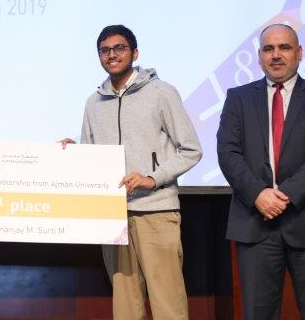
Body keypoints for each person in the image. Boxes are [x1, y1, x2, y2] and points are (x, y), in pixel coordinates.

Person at [61, 24, 202, 319]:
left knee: (168, 304)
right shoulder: (93, 102)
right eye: (104, 50)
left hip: (156, 211)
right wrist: (73, 153)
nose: (112, 55)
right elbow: (93, 158)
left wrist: (152, 179)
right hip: (113, 218)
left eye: (119, 48)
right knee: (125, 306)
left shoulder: (161, 92)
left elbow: (191, 150)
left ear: (134, 53)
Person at [217, 23, 305, 319]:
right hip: (256, 225)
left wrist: (284, 195)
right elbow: (228, 152)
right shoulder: (238, 98)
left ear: (299, 52)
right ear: (259, 56)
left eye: (284, 47)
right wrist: (258, 194)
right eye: (268, 48)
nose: (276, 55)